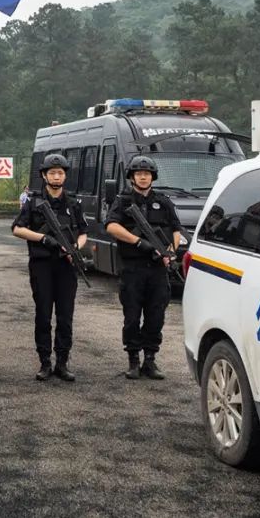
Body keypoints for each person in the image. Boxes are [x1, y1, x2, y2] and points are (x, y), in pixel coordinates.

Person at [11, 154, 88, 381]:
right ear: (44, 175)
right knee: (43, 314)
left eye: (60, 173)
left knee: (65, 316)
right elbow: (17, 229)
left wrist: (75, 247)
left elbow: (84, 233)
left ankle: (62, 363)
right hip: (42, 265)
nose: (56, 177)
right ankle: (45, 362)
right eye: (52, 173)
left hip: (66, 265)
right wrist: (43, 239)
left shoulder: (73, 203)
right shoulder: (33, 202)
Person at [105, 155, 182, 380]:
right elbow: (111, 226)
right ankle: (133, 360)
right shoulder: (123, 201)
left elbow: (176, 230)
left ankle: (150, 359)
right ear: (132, 177)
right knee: (131, 316)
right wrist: (138, 242)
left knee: (156, 315)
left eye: (147, 174)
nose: (143, 177)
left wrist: (169, 252)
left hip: (157, 269)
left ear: (152, 177)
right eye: (138, 174)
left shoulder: (163, 202)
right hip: (133, 267)